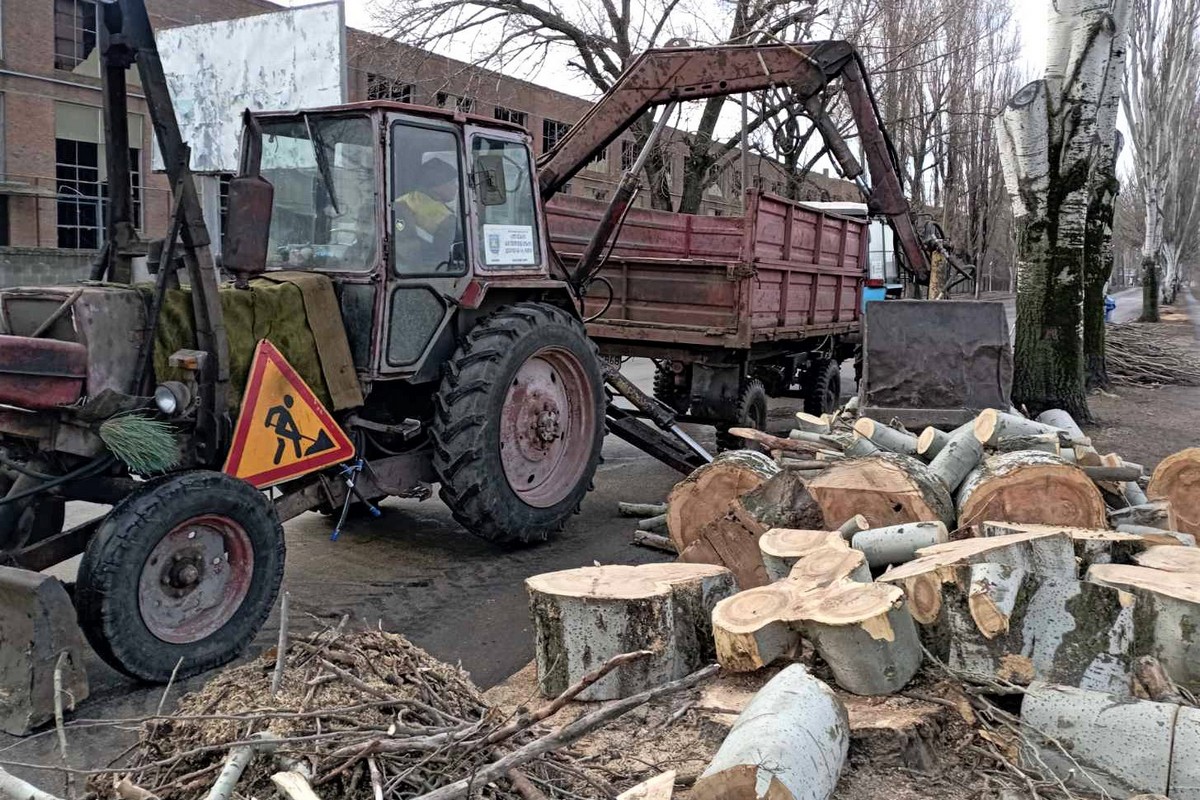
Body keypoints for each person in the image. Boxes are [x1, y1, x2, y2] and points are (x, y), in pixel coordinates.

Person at [394, 158, 461, 271]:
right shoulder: (445, 218)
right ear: (436, 186)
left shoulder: (404, 200)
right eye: (451, 183)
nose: (456, 187)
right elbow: (449, 253)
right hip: (430, 269)